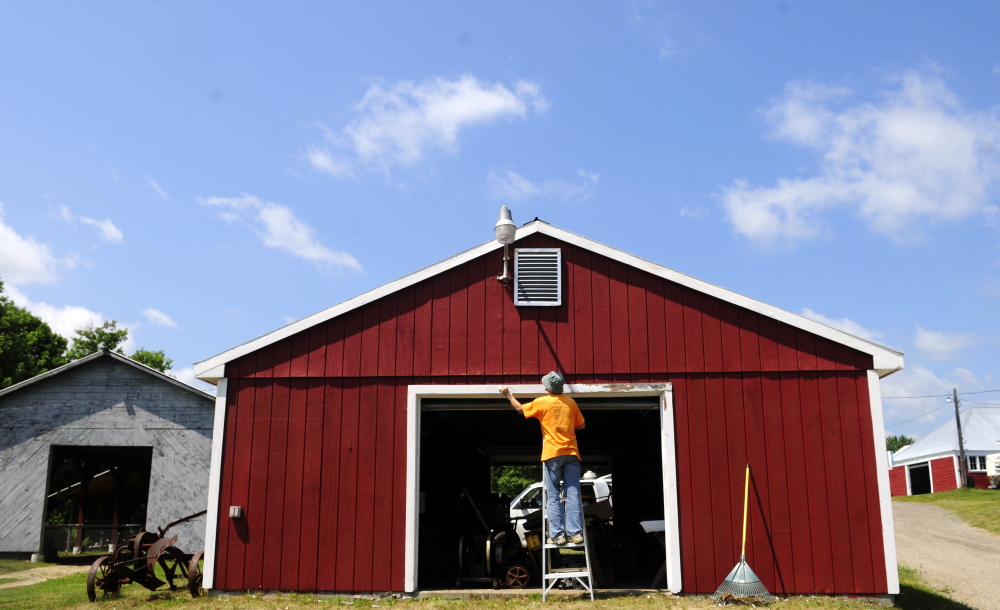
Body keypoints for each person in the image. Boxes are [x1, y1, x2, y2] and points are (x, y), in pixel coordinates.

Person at [501, 371, 585, 545]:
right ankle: (575, 534)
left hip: (552, 454)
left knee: (553, 495)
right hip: (571, 453)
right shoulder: (571, 403)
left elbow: (520, 409)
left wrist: (509, 395)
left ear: (547, 387)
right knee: (573, 494)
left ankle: (557, 535)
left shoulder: (542, 402)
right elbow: (582, 425)